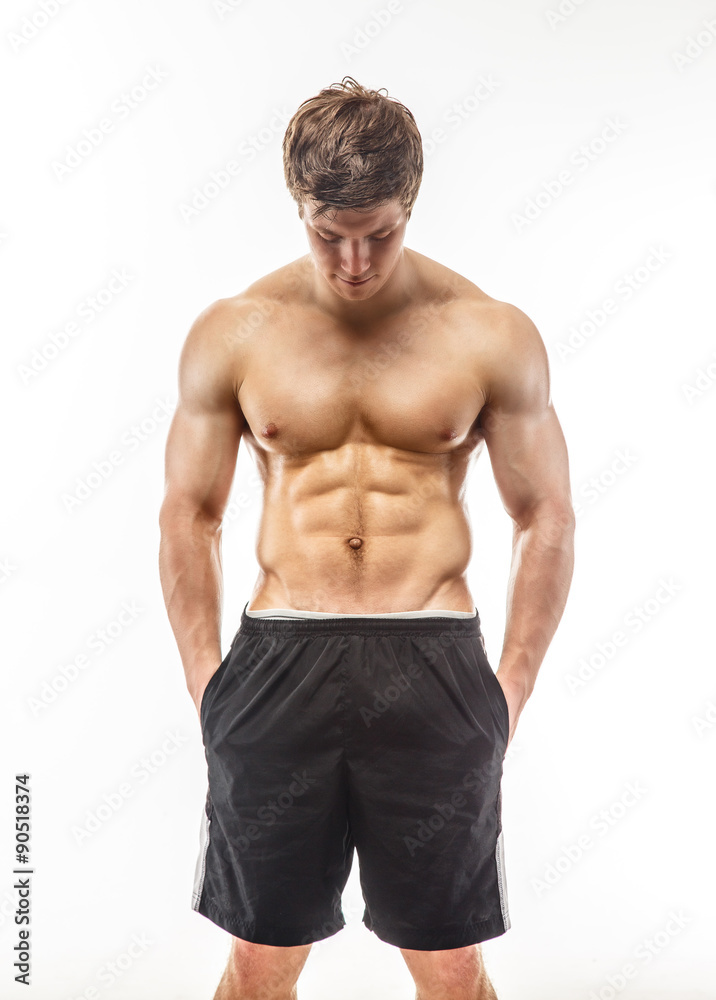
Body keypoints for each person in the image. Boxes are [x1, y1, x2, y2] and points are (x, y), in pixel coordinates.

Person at [158, 76, 575, 1000]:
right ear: (296, 206)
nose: (353, 261)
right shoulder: (234, 332)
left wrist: (509, 689)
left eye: (378, 233)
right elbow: (190, 512)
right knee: (259, 958)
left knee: (451, 959)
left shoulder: (488, 333)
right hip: (278, 661)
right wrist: (205, 682)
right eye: (326, 233)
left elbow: (544, 513)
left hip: (432, 659)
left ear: (411, 203)